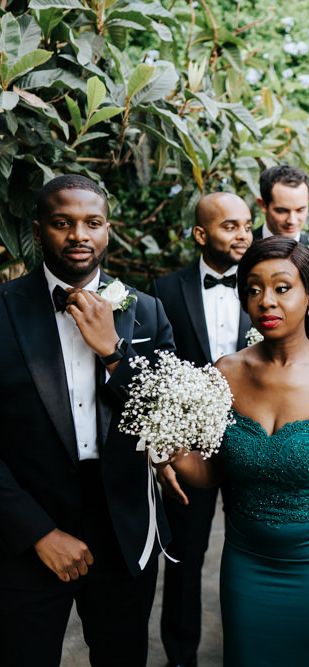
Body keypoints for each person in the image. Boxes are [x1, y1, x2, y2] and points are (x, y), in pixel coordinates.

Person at [163, 237, 309, 666]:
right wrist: (164, 449)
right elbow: (210, 474)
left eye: (283, 288)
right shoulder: (224, 374)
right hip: (247, 565)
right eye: (254, 289)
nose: (266, 301)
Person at [0, 175, 175, 666]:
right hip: (26, 529)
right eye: (63, 223)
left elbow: (166, 417)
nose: (79, 235)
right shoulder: (3, 310)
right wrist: (36, 532)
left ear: (108, 230)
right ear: (39, 231)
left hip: (121, 527)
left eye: (92, 223)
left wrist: (115, 354)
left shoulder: (146, 312)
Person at [153, 192, 253, 667]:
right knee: (184, 560)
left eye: (247, 226)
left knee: (253, 550)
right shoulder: (164, 290)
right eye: (230, 226)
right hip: (189, 445)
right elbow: (152, 372)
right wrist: (163, 448)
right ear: (200, 234)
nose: (242, 235)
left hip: (256, 439)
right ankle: (180, 657)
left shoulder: (264, 286)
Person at [255, 164, 309, 277]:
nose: (292, 221)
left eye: (300, 210)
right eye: (282, 211)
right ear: (263, 205)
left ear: (308, 200)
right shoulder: (242, 249)